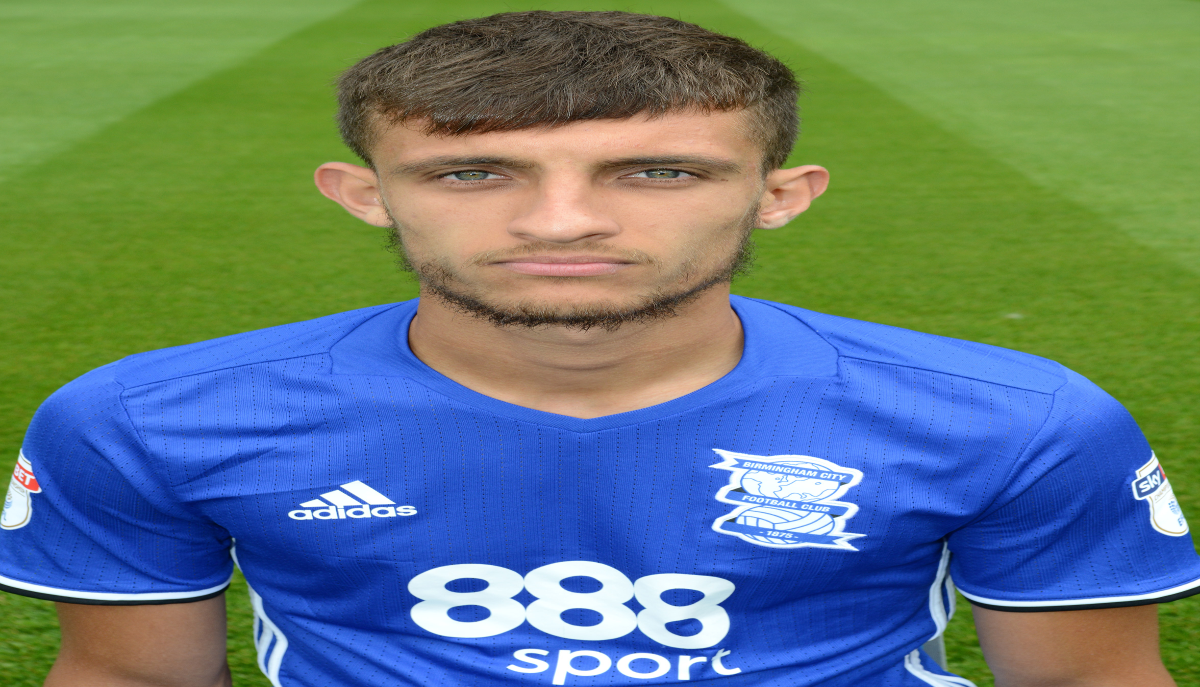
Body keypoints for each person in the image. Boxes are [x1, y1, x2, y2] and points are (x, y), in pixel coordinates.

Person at [2, 10, 1197, 687]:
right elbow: (130, 677)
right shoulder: (148, 419)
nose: (561, 222)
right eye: (472, 173)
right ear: (364, 194)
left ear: (781, 194)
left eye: (657, 172)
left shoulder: (1017, 421)